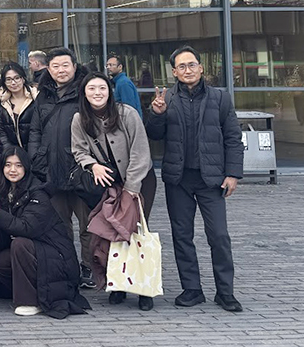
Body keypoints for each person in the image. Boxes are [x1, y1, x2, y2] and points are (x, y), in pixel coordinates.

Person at [146, 45, 244, 312]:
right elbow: (154, 135)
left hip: (211, 179)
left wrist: (233, 174)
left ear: (201, 68)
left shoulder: (220, 98)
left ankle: (225, 292)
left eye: (191, 65)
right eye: (181, 66)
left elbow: (233, 138)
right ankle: (192, 289)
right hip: (178, 179)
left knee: (219, 236)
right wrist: (156, 114)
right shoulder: (167, 98)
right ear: (174, 72)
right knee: (182, 235)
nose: (187, 70)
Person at [71, 72, 156, 311]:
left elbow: (141, 152)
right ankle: (117, 284)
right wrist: (92, 165)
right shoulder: (79, 119)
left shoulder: (127, 113)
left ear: (110, 91)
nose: (97, 93)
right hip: (108, 183)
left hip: (139, 180)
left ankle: (143, 289)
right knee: (111, 234)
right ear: (84, 93)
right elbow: (78, 151)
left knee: (135, 232)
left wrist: (131, 188)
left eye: (102, 88)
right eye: (91, 89)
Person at [0, 147, 91, 319]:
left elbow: (26, 228)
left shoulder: (38, 192)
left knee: (20, 243)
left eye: (18, 165)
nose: (12, 170)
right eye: (8, 165)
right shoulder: (4, 190)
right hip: (36, 252)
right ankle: (30, 291)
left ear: (26, 167)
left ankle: (30, 301)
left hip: (55, 254)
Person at [27, 47, 94, 288]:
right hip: (51, 170)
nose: (61, 70)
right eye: (55, 66)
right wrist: (36, 159)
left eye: (65, 65)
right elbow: (35, 130)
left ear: (74, 67)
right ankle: (68, 266)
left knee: (88, 224)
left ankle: (89, 268)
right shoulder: (44, 94)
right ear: (49, 69)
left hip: (80, 170)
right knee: (60, 225)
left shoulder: (86, 91)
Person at [0, 63, 38, 151]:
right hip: (11, 154)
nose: (13, 83)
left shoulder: (36, 99)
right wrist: (11, 153)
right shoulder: (1, 103)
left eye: (17, 78)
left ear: (23, 79)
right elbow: (0, 132)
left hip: (35, 152)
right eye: (8, 79)